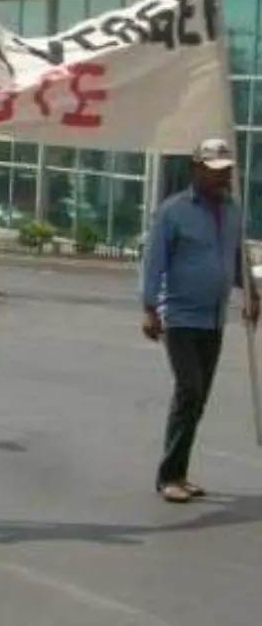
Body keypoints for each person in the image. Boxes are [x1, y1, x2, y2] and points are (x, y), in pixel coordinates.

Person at [141, 138, 259, 503]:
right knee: (189, 389)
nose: (221, 176)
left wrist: (252, 293)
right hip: (179, 315)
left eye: (226, 169)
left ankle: (180, 471)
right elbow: (154, 261)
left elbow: (238, 257)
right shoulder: (173, 212)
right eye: (214, 170)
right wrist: (149, 308)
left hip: (214, 317)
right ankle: (168, 476)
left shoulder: (234, 210)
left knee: (199, 397)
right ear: (197, 169)